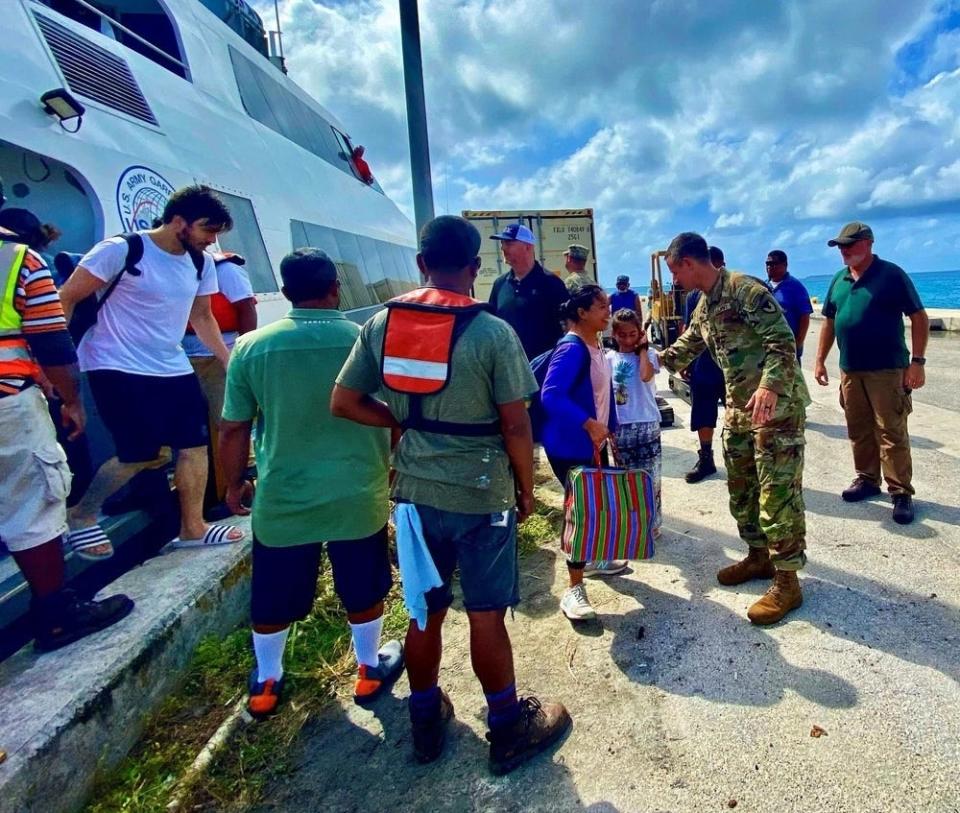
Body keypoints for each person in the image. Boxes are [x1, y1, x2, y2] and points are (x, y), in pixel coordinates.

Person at [332, 215, 570, 775]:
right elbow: (516, 424)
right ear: (474, 268)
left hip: (413, 495)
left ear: (421, 264)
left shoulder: (382, 325)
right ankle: (508, 728)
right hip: (483, 494)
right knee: (486, 616)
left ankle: (424, 721)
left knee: (422, 613)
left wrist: (400, 425)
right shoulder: (491, 333)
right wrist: (526, 489)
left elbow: (343, 400)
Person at [219, 248, 401, 718]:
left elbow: (234, 427)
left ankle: (267, 680)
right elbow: (400, 411)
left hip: (283, 494)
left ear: (284, 293)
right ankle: (367, 669)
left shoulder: (251, 347)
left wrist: (233, 481)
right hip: (358, 490)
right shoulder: (367, 340)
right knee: (364, 585)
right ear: (335, 289)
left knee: (274, 590)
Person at [58, 185, 245, 559]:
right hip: (115, 362)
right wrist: (59, 363)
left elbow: (202, 315)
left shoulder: (201, 263)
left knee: (193, 446)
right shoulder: (123, 249)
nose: (211, 241)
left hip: (170, 364)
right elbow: (67, 296)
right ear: (179, 222)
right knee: (139, 451)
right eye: (207, 230)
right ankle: (81, 515)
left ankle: (192, 527)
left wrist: (228, 361)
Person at [0, 178, 133, 650]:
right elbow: (52, 341)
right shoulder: (16, 258)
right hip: (8, 404)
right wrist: (70, 399)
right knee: (32, 506)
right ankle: (57, 616)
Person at [660, 232, 808, 625]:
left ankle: (788, 582)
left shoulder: (746, 290)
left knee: (777, 495)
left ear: (689, 263)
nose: (674, 279)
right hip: (741, 411)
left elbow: (783, 342)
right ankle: (759, 558)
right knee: (742, 488)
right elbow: (691, 343)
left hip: (777, 409)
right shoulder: (704, 303)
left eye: (675, 271)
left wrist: (768, 386)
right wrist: (651, 362)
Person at [814, 222, 928, 525]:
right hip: (850, 370)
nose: (844, 250)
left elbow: (919, 317)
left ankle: (901, 491)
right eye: (840, 246)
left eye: (849, 244)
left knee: (891, 430)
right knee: (859, 428)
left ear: (868, 243)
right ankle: (867, 478)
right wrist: (820, 360)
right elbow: (829, 321)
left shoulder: (891, 275)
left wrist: (917, 362)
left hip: (887, 370)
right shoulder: (839, 279)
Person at [541, 284, 621, 621]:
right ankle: (574, 591)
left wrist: (611, 429)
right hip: (569, 446)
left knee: (595, 506)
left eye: (608, 304)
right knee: (583, 513)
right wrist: (588, 424)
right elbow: (551, 394)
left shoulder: (595, 344)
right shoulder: (572, 349)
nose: (608, 311)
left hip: (591, 443)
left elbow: (604, 394)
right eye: (601, 306)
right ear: (581, 313)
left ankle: (596, 558)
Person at [184, 251, 257, 509]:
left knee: (228, 421)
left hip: (221, 355)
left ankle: (242, 486)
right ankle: (210, 493)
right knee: (194, 430)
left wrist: (243, 355)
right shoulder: (173, 267)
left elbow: (246, 307)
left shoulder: (224, 269)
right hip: (181, 357)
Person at [607, 308, 662, 536]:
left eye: (633, 334)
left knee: (651, 478)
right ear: (614, 334)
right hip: (621, 426)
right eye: (623, 335)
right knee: (625, 477)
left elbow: (645, 376)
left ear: (640, 333)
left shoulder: (648, 356)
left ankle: (653, 523)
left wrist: (643, 350)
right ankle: (632, 523)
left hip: (647, 423)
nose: (628, 339)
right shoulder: (608, 359)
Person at [487, 223, 568, 359]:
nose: (503, 248)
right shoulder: (499, 284)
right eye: (502, 243)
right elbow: (492, 325)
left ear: (528, 247)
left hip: (542, 370)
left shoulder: (552, 283)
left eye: (509, 243)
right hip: (508, 369)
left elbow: (569, 326)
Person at [680, 246, 726, 483]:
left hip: (733, 369)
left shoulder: (738, 290)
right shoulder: (693, 297)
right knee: (703, 413)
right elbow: (689, 329)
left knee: (743, 416)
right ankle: (706, 459)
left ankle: (750, 463)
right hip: (705, 365)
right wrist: (685, 358)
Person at [765, 250, 813, 359]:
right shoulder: (764, 287)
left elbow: (805, 316)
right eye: (768, 264)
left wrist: (798, 343)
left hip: (789, 349)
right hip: (768, 349)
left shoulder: (796, 287)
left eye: (774, 264)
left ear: (785, 265)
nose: (770, 267)